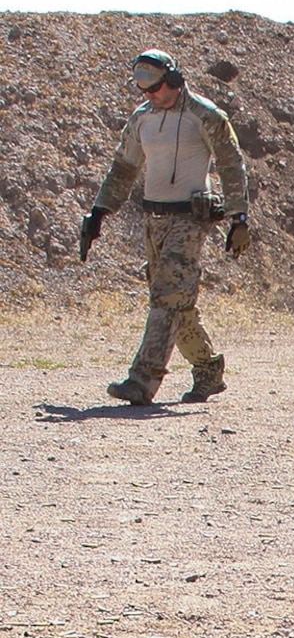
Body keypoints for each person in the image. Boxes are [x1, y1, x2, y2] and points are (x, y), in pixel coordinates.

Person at [80, 48, 250, 404]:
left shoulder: (205, 116)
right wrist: (98, 212)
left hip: (189, 220)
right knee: (176, 304)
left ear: (173, 79)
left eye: (155, 87)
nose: (149, 95)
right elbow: (123, 169)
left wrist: (239, 218)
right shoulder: (141, 118)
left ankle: (141, 381)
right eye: (142, 88)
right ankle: (208, 369)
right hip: (152, 220)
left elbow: (232, 165)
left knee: (166, 297)